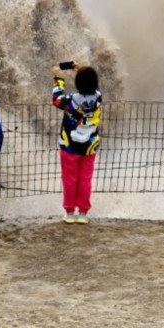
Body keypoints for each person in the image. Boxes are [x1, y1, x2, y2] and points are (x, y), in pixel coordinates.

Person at [52, 64, 103, 224]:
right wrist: (79, 70)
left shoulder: (71, 100)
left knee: (70, 179)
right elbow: (92, 85)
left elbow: (57, 99)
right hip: (89, 146)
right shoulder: (98, 97)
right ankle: (83, 213)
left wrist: (58, 78)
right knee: (85, 179)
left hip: (70, 146)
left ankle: (69, 212)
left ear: (78, 84)